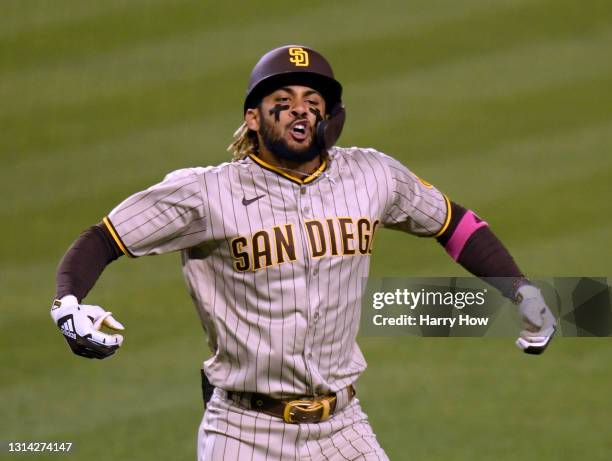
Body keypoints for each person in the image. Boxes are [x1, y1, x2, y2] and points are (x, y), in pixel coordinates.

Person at [51, 45, 556, 460]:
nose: (300, 107)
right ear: (252, 117)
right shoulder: (205, 193)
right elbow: (104, 238)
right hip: (243, 431)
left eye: (312, 98)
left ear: (329, 114)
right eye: (284, 97)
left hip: (343, 428)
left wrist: (522, 292)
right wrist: (69, 303)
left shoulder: (372, 176)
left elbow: (454, 222)